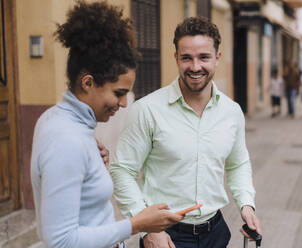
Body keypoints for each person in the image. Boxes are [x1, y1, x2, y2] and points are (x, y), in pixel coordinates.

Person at [30, 1, 182, 248]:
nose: (124, 103)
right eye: (119, 93)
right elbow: (61, 241)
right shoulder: (65, 137)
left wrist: (92, 164)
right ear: (88, 83)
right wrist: (138, 224)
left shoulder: (62, 121)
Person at [110, 16, 261, 248]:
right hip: (165, 236)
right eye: (186, 58)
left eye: (204, 57)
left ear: (218, 58)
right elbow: (122, 170)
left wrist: (246, 204)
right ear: (176, 58)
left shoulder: (232, 112)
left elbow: (238, 163)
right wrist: (147, 227)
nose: (195, 66)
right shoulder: (147, 110)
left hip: (216, 233)